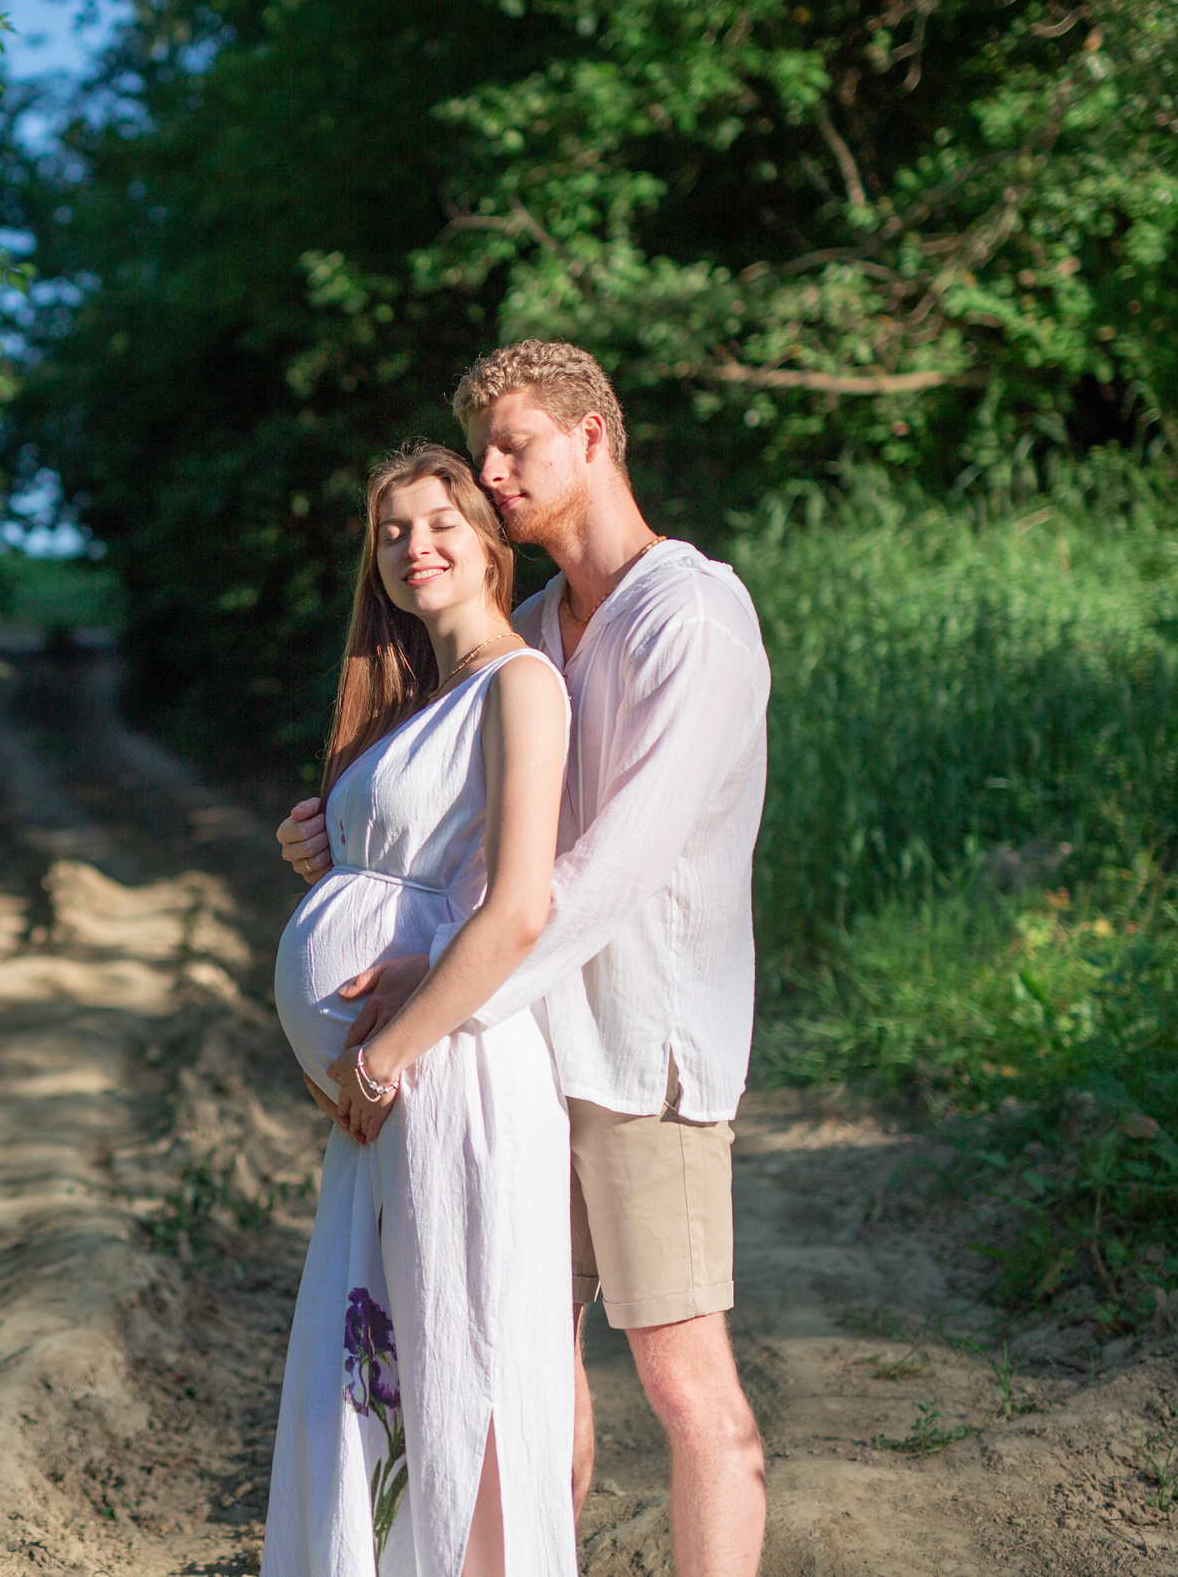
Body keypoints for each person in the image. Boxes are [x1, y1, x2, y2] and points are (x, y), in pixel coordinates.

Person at [278, 342, 773, 1577]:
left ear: (594, 436)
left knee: (684, 1383)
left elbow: (606, 871)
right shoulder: (542, 624)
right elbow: (467, 833)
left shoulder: (691, 615)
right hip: (522, 1054)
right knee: (520, 1379)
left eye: (515, 447)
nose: (493, 474)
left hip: (639, 1053)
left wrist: (436, 1000)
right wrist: (341, 848)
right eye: (483, 452)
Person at [265, 442, 578, 1577]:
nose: (413, 547)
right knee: (382, 1373)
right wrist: (326, 855)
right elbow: (408, 881)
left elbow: (518, 910)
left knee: (461, 1371)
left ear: (490, 543)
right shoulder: (421, 704)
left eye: (438, 522)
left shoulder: (520, 685)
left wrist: (381, 1057)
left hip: (447, 1074)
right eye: (389, 533)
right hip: (390, 1094)